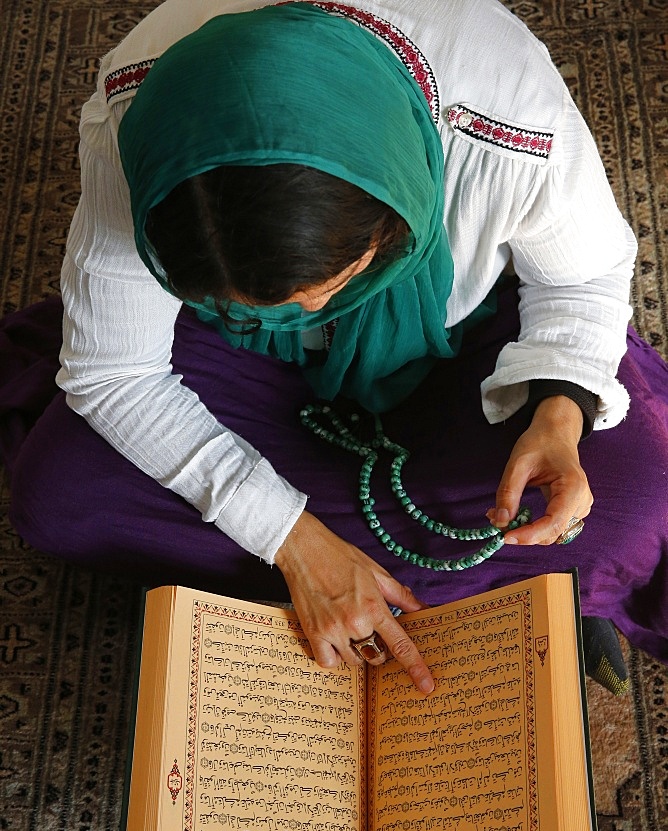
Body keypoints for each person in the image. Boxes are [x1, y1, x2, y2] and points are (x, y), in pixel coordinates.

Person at [1, 0, 666, 696]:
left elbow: (584, 277)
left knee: (633, 506)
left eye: (334, 285)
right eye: (266, 304)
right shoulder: (143, 125)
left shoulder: (511, 122)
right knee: (63, 496)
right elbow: (116, 373)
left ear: (398, 203)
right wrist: (293, 539)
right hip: (241, 361)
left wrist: (559, 413)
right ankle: (498, 587)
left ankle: (346, 588)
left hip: (463, 341)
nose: (309, 316)